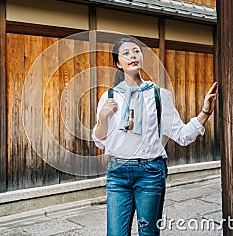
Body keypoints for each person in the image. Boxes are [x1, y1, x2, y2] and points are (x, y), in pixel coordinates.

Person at [92, 37, 218, 236]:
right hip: (118, 173)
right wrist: (102, 117)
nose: (132, 56)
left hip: (150, 172)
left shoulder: (159, 95)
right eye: (125, 53)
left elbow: (182, 135)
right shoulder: (109, 97)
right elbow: (99, 139)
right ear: (117, 63)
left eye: (136, 51)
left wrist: (205, 111)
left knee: (149, 233)